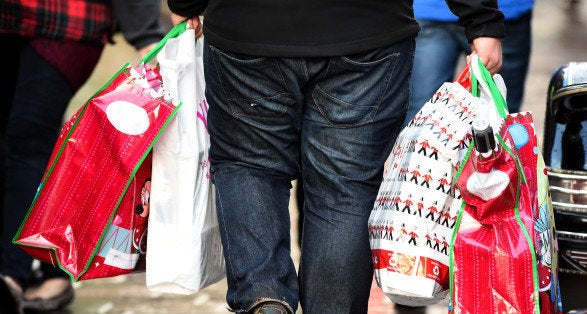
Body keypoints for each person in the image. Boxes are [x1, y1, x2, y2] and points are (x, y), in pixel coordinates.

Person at [167, 0, 504, 313]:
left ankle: (263, 295)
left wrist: (186, 3)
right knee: (345, 189)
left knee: (250, 166)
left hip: (249, 28)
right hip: (366, 31)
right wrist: (481, 20)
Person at [0, 0, 165, 312]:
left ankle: (12, 275)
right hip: (9, 17)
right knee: (24, 142)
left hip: (68, 19)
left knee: (28, 139)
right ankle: (49, 267)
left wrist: (145, 34)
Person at [405, 0, 534, 125]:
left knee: (423, 115)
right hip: (499, 14)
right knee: (501, 118)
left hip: (430, 10)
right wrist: (485, 24)